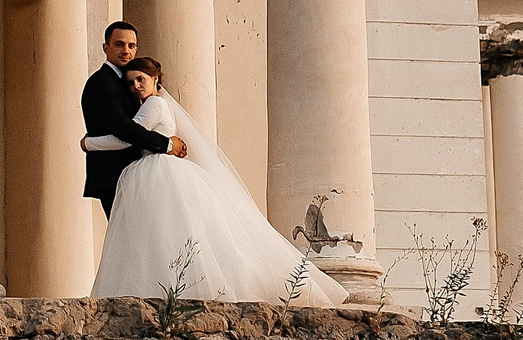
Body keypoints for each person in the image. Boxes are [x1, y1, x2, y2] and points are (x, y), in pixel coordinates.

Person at [83, 56, 350, 306]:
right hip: (157, 168)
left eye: (141, 79)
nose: (135, 86)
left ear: (156, 79)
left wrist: (89, 143)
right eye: (131, 82)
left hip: (158, 170)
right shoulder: (151, 105)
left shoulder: (154, 104)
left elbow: (127, 138)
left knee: (160, 232)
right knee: (164, 231)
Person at [81, 20, 183, 216]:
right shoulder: (102, 83)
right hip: (113, 176)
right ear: (106, 47)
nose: (126, 50)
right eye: (119, 44)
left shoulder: (127, 82)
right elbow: (124, 130)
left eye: (131, 45)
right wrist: (167, 144)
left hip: (132, 175)